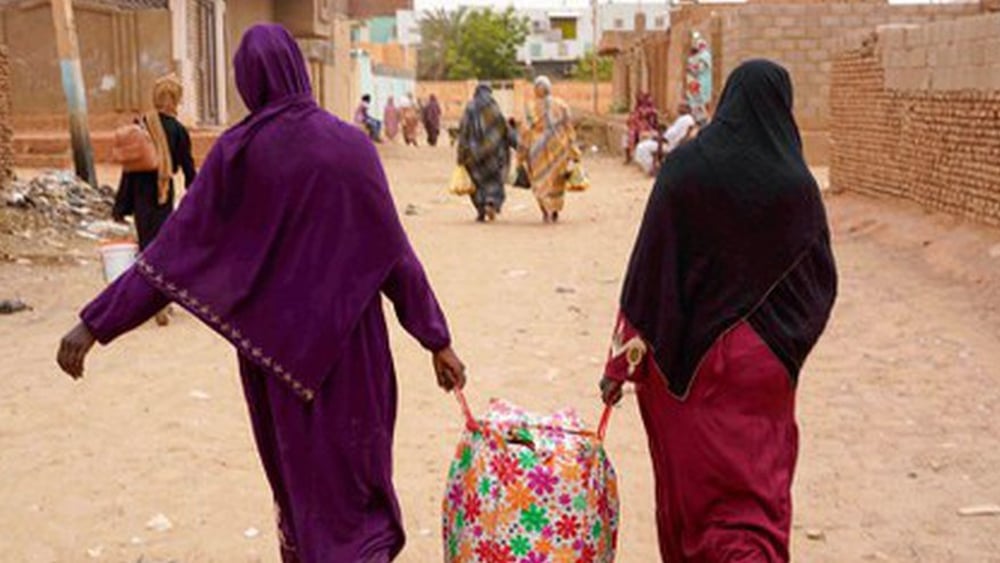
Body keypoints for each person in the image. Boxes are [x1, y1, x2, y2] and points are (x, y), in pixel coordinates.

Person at [56, 24, 467, 563]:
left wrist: (94, 324)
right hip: (355, 356)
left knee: (303, 490)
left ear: (248, 81)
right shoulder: (351, 147)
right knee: (358, 485)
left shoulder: (236, 155)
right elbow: (397, 257)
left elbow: (170, 256)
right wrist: (437, 341)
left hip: (279, 369)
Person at [600, 60, 837, 562]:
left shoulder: (685, 170)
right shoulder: (796, 185)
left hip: (684, 369)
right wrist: (784, 343)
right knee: (755, 496)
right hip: (762, 368)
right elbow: (821, 284)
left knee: (696, 495)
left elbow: (649, 273)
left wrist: (619, 364)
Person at [112, 72, 196, 326]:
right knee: (162, 247)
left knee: (145, 246)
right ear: (176, 100)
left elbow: (128, 169)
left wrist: (120, 205)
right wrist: (197, 192)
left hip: (139, 194)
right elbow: (187, 166)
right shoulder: (178, 130)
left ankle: (145, 299)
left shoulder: (141, 125)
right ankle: (160, 300)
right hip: (162, 193)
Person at [520, 75, 579, 224]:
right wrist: (573, 148)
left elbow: (526, 131)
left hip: (537, 150)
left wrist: (521, 153)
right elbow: (569, 127)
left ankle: (545, 210)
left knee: (540, 180)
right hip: (558, 148)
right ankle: (555, 210)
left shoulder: (530, 108)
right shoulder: (561, 105)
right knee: (557, 181)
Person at [456, 84, 511, 222]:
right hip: (493, 153)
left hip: (474, 154)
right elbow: (503, 129)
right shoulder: (494, 107)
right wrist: (515, 143)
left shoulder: (470, 108)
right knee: (494, 180)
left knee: (477, 182)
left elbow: (464, 130)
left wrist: (461, 153)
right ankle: (491, 203)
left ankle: (481, 211)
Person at [633, 103, 698, 176]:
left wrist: (659, 138)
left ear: (687, 109)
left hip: (670, 145)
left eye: (681, 107)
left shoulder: (685, 119)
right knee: (644, 142)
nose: (678, 109)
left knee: (642, 147)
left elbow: (672, 135)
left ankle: (652, 169)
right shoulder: (685, 119)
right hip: (668, 142)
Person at [685, 32, 713, 126]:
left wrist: (691, 69)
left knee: (700, 100)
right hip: (702, 81)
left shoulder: (703, 56)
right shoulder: (704, 56)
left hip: (701, 81)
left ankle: (702, 119)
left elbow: (699, 68)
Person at [625, 92, 659, 163]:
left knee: (635, 134)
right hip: (637, 128)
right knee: (627, 135)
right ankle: (628, 158)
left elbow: (654, 122)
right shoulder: (637, 109)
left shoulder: (652, 111)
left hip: (648, 129)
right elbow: (631, 120)